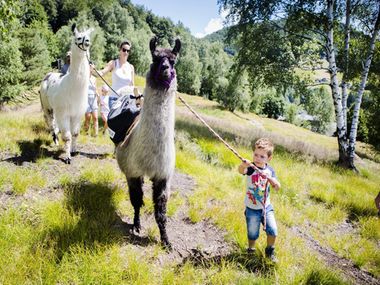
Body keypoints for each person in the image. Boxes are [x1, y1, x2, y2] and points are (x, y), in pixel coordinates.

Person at [238, 138, 281, 262]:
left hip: (266, 208)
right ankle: (251, 250)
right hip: (252, 208)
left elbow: (278, 187)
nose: (257, 158)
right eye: (256, 155)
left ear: (269, 158)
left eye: (262, 157)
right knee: (252, 233)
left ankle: (270, 251)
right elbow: (241, 171)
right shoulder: (251, 168)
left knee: (273, 230)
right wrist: (243, 165)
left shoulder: (270, 171)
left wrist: (271, 180)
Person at [96, 40, 136, 109]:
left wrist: (136, 98)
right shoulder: (113, 63)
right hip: (115, 99)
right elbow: (102, 73)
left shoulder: (131, 67)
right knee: (118, 119)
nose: (126, 52)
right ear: (120, 50)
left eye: (128, 51)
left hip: (127, 101)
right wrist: (93, 70)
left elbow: (132, 85)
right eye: (124, 50)